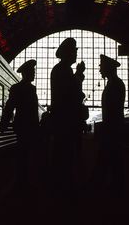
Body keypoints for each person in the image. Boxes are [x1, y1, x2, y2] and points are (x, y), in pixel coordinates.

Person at [50, 37, 85, 192]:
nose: (76, 53)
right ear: (68, 53)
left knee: (63, 154)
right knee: (65, 155)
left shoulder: (60, 69)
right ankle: (63, 186)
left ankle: (61, 183)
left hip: (61, 121)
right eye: (74, 50)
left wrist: (77, 74)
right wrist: (79, 73)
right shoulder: (63, 70)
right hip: (65, 121)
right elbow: (73, 93)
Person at [0, 59, 40, 189]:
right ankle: (22, 180)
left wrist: (4, 123)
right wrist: (4, 123)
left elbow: (9, 107)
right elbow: (10, 106)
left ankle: (22, 179)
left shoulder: (24, 88)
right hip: (25, 126)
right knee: (24, 153)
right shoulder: (20, 88)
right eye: (32, 71)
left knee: (25, 153)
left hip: (25, 126)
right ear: (26, 73)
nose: (34, 74)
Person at [89, 54, 125, 196]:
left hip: (112, 129)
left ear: (109, 68)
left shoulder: (115, 85)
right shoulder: (115, 84)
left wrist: (107, 128)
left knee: (110, 157)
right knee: (112, 158)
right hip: (112, 128)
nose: (100, 70)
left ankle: (105, 185)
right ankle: (112, 184)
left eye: (101, 67)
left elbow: (112, 110)